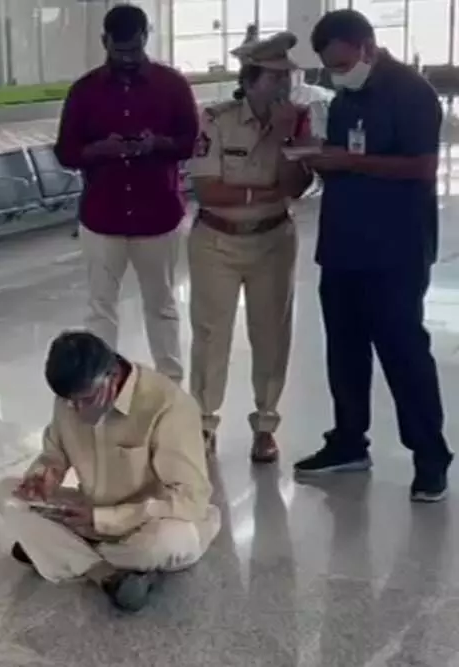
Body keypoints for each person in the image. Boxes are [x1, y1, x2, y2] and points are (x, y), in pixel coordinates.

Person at [294, 10, 452, 502]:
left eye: (342, 62)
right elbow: (346, 156)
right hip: (343, 246)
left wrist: (350, 161)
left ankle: (430, 458)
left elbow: (424, 166)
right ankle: (348, 442)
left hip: (395, 250)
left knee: (404, 354)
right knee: (344, 351)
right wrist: (318, 157)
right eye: (330, 68)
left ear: (367, 46)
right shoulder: (347, 96)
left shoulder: (411, 92)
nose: (338, 74)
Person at [0, 331, 220, 613]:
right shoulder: (72, 397)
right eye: (68, 401)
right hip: (90, 514)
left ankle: (61, 553)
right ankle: (107, 574)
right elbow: (54, 453)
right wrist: (43, 476)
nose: (74, 409)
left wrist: (107, 520)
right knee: (6, 492)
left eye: (84, 400)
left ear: (111, 379)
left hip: (149, 521)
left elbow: (191, 500)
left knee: (165, 541)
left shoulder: (168, 406)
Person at [185, 33, 314, 462]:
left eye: (288, 76)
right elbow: (208, 191)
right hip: (216, 242)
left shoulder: (297, 121)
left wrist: (280, 139)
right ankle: (203, 423)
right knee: (210, 334)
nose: (284, 85)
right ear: (252, 79)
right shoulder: (215, 120)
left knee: (272, 335)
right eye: (275, 77)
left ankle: (266, 424)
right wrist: (264, 192)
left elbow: (296, 186)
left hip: (274, 241)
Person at [54, 4, 199, 383]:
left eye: (134, 50)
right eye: (120, 52)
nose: (128, 59)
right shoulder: (84, 91)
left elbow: (191, 142)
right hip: (103, 218)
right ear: (105, 42)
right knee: (101, 308)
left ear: (145, 38)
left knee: (162, 305)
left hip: (159, 216)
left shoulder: (172, 85)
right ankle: (100, 383)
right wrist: (100, 150)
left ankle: (170, 384)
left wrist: (158, 144)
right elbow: (65, 152)